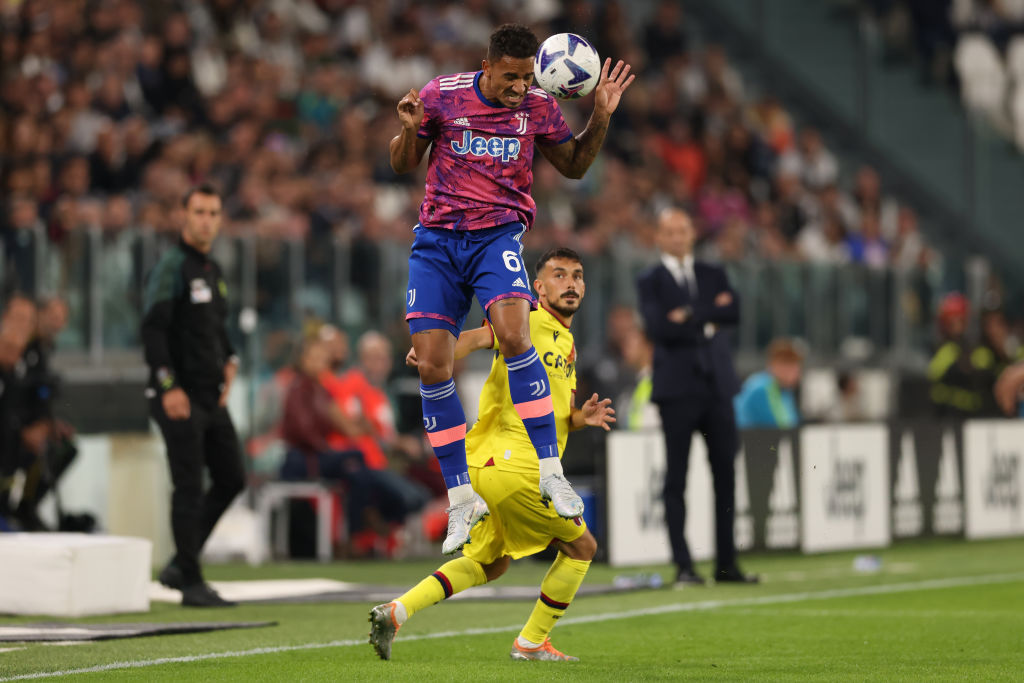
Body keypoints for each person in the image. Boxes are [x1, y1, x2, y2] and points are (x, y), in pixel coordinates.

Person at [390, 23, 633, 554]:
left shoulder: (540, 107)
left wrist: (600, 117)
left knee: (514, 333)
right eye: (510, 77)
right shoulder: (442, 95)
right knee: (432, 365)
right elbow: (402, 162)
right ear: (488, 64)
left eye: (527, 77)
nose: (520, 86)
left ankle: (550, 470)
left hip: (496, 234)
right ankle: (460, 498)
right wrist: (410, 129)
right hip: (437, 242)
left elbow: (572, 166)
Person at [370, 248, 615, 662]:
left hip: (484, 465)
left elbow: (548, 409)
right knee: (582, 547)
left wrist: (577, 418)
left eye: (577, 275)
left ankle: (397, 611)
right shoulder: (527, 317)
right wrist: (435, 352)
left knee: (490, 562)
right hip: (517, 466)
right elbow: (480, 337)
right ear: (537, 287)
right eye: (558, 275)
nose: (570, 283)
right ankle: (532, 642)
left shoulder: (566, 340)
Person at [636, 207, 758, 586]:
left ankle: (727, 564)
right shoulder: (650, 279)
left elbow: (734, 310)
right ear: (658, 237)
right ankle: (684, 565)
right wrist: (708, 317)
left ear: (692, 234)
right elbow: (658, 328)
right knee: (677, 478)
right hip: (676, 390)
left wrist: (687, 314)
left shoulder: (712, 272)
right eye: (669, 231)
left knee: (725, 475)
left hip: (718, 385)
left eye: (683, 230)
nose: (677, 237)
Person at [140, 184, 245, 608]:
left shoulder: (211, 270)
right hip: (178, 394)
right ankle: (190, 579)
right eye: (199, 212)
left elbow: (217, 328)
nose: (206, 220)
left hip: (209, 396)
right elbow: (152, 329)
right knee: (188, 484)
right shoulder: (172, 267)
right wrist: (168, 386)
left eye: (213, 212)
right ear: (183, 216)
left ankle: (181, 563)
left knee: (231, 478)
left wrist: (231, 357)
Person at [734, 338, 804, 429]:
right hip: (748, 441)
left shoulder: (784, 390)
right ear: (775, 364)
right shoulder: (763, 389)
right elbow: (784, 426)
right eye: (791, 365)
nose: (797, 371)